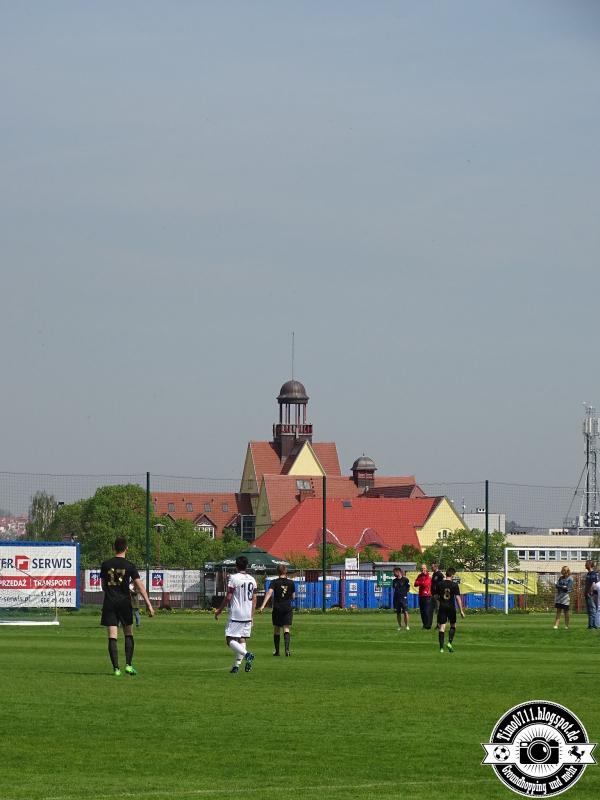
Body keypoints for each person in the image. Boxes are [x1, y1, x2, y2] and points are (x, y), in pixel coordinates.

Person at [100, 536, 154, 676]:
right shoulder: (130, 566)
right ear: (126, 549)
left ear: (114, 548)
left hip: (110, 603)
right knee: (128, 633)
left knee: (113, 636)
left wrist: (112, 593)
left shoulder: (105, 564)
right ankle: (128, 665)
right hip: (124, 603)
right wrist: (148, 604)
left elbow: (103, 586)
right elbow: (139, 586)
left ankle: (116, 669)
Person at [214, 556, 257, 673]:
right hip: (248, 614)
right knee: (242, 639)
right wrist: (252, 616)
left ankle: (247, 654)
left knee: (230, 639)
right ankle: (236, 666)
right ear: (246, 565)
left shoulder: (234, 578)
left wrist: (219, 610)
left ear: (236, 566)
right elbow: (254, 599)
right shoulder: (252, 579)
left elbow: (229, 596)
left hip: (236, 614)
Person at [259, 564, 295, 656]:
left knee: (277, 629)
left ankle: (277, 651)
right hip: (287, 607)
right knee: (286, 628)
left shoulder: (274, 582)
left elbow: (269, 593)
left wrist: (263, 605)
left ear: (277, 572)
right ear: (285, 571)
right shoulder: (291, 583)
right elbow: (294, 596)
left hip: (277, 607)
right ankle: (287, 650)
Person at [434, 567, 465, 652]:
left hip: (442, 607)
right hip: (451, 608)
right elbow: (458, 598)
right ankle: (449, 643)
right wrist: (461, 611)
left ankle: (441, 648)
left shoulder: (440, 584)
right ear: (452, 575)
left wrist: (439, 602)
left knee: (442, 627)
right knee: (453, 625)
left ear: (446, 574)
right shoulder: (454, 585)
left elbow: (436, 596)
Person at [414, 563, 433, 629]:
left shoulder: (429, 575)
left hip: (428, 595)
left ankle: (428, 625)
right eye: (421, 569)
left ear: (426, 569)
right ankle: (424, 624)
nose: (423, 570)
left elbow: (426, 584)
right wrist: (421, 582)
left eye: (424, 568)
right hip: (421, 595)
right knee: (422, 611)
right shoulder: (419, 575)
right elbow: (415, 584)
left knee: (427, 611)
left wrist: (420, 582)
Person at [584, 560, 599, 629]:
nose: (585, 565)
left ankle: (592, 625)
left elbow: (593, 584)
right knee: (590, 610)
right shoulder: (588, 573)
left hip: (591, 594)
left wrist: (590, 592)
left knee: (592, 609)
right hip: (587, 594)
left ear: (589, 565)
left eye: (586, 564)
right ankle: (591, 625)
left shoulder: (593, 573)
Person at [430, 562, 444, 628]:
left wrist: (439, 593)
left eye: (432, 567)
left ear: (436, 567)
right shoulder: (434, 574)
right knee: (435, 610)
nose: (431, 568)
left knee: (438, 609)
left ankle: (439, 624)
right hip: (433, 594)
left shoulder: (439, 574)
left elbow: (443, 582)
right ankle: (437, 624)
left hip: (438, 595)